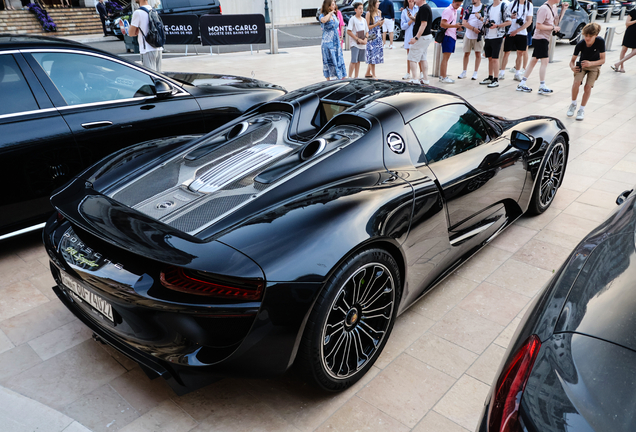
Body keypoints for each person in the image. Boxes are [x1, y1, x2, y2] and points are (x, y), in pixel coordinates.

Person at [516, 0, 565, 94]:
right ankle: (542, 85)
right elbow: (538, 26)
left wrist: (563, 10)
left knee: (534, 61)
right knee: (544, 61)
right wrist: (552, 28)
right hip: (540, 38)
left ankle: (522, 83)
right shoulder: (543, 9)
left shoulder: (553, 7)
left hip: (545, 38)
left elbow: (556, 22)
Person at [567, 23, 605, 121]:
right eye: (585, 36)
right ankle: (573, 104)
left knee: (588, 86)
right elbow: (572, 61)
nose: (587, 38)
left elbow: (603, 60)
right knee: (576, 83)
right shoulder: (581, 44)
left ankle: (581, 109)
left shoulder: (600, 42)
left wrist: (590, 63)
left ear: (596, 35)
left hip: (594, 65)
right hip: (582, 65)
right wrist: (572, 67)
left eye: (590, 36)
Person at [480, 0, 511, 87]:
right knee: (489, 57)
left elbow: (509, 21)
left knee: (495, 58)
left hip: (498, 36)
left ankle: (496, 79)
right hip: (488, 36)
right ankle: (490, 77)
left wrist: (497, 25)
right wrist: (487, 23)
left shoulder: (504, 6)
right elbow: (485, 20)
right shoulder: (489, 7)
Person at [500, 0, 533, 81]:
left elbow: (529, 21)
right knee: (506, 53)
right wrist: (510, 16)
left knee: (520, 53)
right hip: (511, 31)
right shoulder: (512, 3)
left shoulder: (529, 5)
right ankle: (502, 73)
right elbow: (505, 16)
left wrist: (517, 31)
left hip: (522, 32)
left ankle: (517, 73)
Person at [129, 0, 163, 72]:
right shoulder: (153, 11)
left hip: (147, 49)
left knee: (150, 76)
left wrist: (135, 30)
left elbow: (131, 33)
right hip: (158, 47)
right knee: (159, 75)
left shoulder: (137, 13)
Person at [319, 0, 348, 80]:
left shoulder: (334, 15)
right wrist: (330, 13)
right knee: (329, 60)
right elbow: (323, 20)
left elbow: (339, 25)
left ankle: (341, 76)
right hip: (328, 42)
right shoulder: (322, 15)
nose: (334, 5)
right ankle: (329, 79)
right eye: (332, 4)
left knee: (339, 57)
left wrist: (340, 36)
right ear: (328, 6)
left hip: (335, 41)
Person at [458, 0, 485, 80]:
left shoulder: (484, 8)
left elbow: (487, 21)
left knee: (478, 53)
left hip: (479, 35)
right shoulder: (468, 8)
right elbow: (464, 22)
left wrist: (480, 18)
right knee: (466, 53)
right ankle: (464, 71)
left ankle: (475, 72)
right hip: (468, 34)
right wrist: (473, 29)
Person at [408, 0, 433, 84]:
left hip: (422, 37)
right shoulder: (424, 8)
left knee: (412, 58)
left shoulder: (423, 8)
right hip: (425, 37)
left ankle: (415, 79)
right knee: (423, 58)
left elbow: (423, 24)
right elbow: (421, 21)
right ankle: (425, 79)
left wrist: (416, 37)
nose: (414, 0)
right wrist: (413, 18)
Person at [439, 0, 463, 83]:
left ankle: (443, 75)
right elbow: (442, 24)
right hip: (448, 36)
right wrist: (454, 26)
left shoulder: (454, 10)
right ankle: (443, 76)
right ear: (453, 2)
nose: (458, 6)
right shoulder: (448, 10)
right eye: (457, 4)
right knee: (445, 58)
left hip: (452, 35)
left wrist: (456, 27)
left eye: (459, 5)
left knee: (446, 58)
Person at [401, 0, 423, 79]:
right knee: (409, 55)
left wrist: (414, 19)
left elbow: (421, 22)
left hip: (417, 34)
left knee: (419, 54)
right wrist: (411, 20)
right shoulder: (404, 11)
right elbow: (403, 26)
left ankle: (421, 72)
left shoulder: (419, 9)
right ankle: (408, 72)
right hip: (409, 35)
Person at [347, 2, 369, 78]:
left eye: (362, 8)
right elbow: (348, 31)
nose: (361, 10)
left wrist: (365, 39)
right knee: (354, 60)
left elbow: (367, 31)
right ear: (355, 9)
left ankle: (356, 76)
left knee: (359, 61)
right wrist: (357, 39)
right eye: (359, 8)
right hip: (355, 43)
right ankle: (350, 76)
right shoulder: (352, 19)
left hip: (362, 43)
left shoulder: (364, 20)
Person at [612, 6, 636, 72]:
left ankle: (618, 63)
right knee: (624, 50)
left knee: (634, 51)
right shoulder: (633, 11)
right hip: (630, 33)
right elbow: (627, 23)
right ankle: (621, 67)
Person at [365, 0, 385, 78]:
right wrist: (376, 24)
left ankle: (367, 73)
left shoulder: (379, 12)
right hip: (371, 36)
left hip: (378, 35)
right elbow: (367, 27)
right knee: (372, 56)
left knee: (375, 55)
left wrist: (381, 23)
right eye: (377, 2)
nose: (379, 3)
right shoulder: (369, 13)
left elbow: (379, 26)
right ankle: (373, 74)